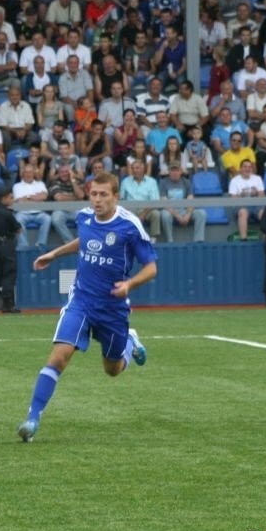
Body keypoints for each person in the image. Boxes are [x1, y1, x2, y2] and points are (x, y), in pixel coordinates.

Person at [17, 173, 157, 442]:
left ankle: (130, 341)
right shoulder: (84, 217)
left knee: (112, 369)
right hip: (81, 300)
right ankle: (32, 419)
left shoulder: (130, 226)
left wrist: (129, 285)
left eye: (103, 194)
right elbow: (85, 239)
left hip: (113, 308)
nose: (97, 199)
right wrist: (54, 254)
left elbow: (151, 268)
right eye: (93, 194)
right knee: (59, 356)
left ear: (116, 196)